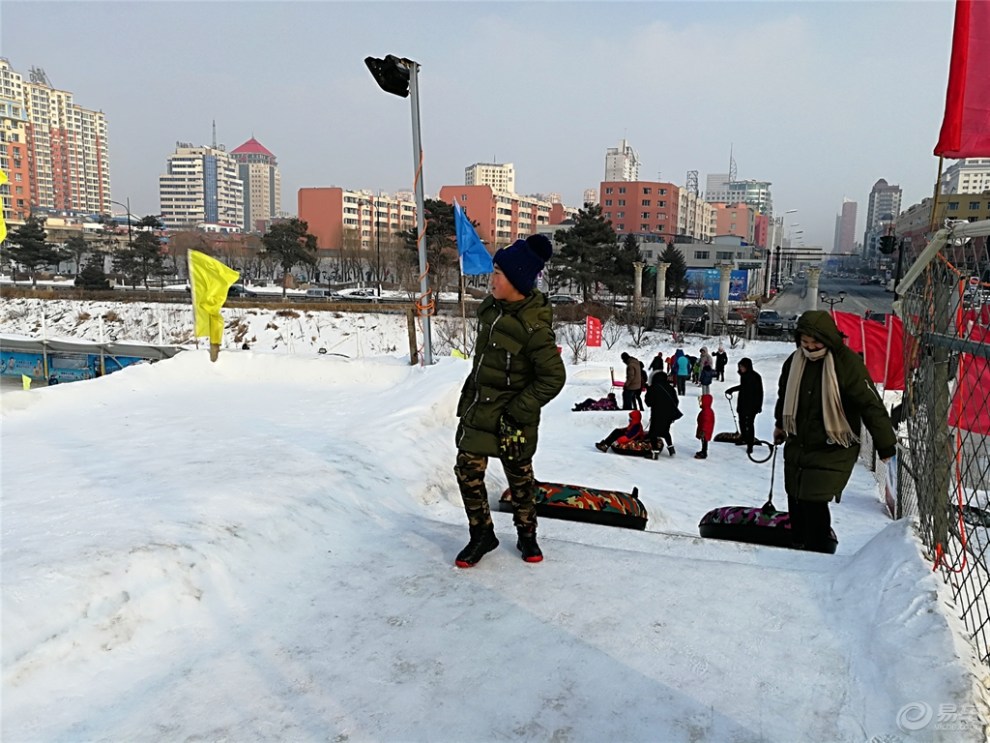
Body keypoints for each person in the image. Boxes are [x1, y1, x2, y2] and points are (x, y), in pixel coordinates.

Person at [453, 234, 566, 568]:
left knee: (520, 480)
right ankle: (481, 534)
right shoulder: (490, 310)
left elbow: (553, 378)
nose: (491, 279)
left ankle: (527, 534)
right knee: (467, 471)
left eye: (498, 274)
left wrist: (519, 411)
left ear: (516, 281)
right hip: (481, 408)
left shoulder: (533, 328)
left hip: (513, 420)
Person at [773, 311, 896, 552]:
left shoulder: (846, 363)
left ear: (829, 338)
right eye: (805, 343)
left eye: (815, 342)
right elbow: (784, 393)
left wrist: (885, 444)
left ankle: (818, 552)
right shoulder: (795, 361)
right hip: (799, 442)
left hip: (833, 444)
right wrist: (780, 424)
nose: (810, 348)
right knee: (795, 497)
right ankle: (797, 547)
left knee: (814, 501)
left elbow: (869, 404)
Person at [725, 357, 764, 455]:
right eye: (740, 366)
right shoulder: (744, 376)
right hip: (742, 403)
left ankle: (750, 444)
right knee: (741, 421)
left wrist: (759, 405)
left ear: (747, 366)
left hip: (752, 405)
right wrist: (731, 389)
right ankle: (743, 438)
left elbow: (760, 392)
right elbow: (743, 387)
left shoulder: (755, 376)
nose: (741, 368)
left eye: (742, 366)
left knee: (749, 424)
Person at [645, 367, 682, 458]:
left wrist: (648, 391)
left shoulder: (653, 388)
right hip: (669, 414)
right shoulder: (670, 388)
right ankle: (671, 449)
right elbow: (676, 401)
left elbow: (648, 402)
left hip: (657, 414)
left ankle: (654, 453)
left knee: (653, 433)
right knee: (665, 431)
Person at [695, 393, 715, 459]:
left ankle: (704, 453)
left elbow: (706, 421)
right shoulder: (706, 410)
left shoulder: (706, 412)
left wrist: (704, 430)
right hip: (704, 429)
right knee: (703, 441)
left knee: (704, 441)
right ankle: (703, 451)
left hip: (705, 430)